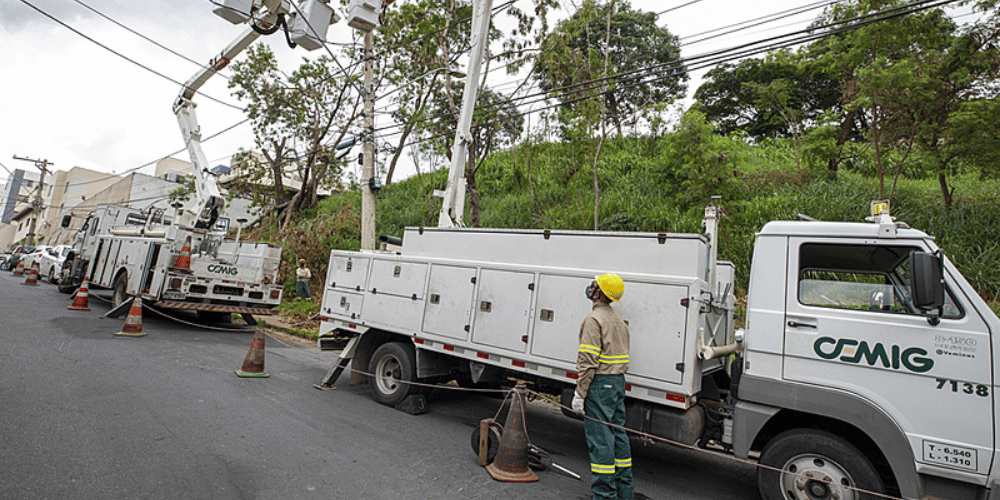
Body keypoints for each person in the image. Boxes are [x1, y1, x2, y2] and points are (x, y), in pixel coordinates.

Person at [572, 272, 632, 500]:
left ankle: (604, 496)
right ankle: (624, 490)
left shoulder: (594, 320)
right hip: (617, 383)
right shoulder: (619, 321)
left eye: (594, 286)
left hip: (600, 385)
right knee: (618, 435)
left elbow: (588, 362)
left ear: (599, 293)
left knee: (601, 440)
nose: (590, 288)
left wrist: (580, 393)